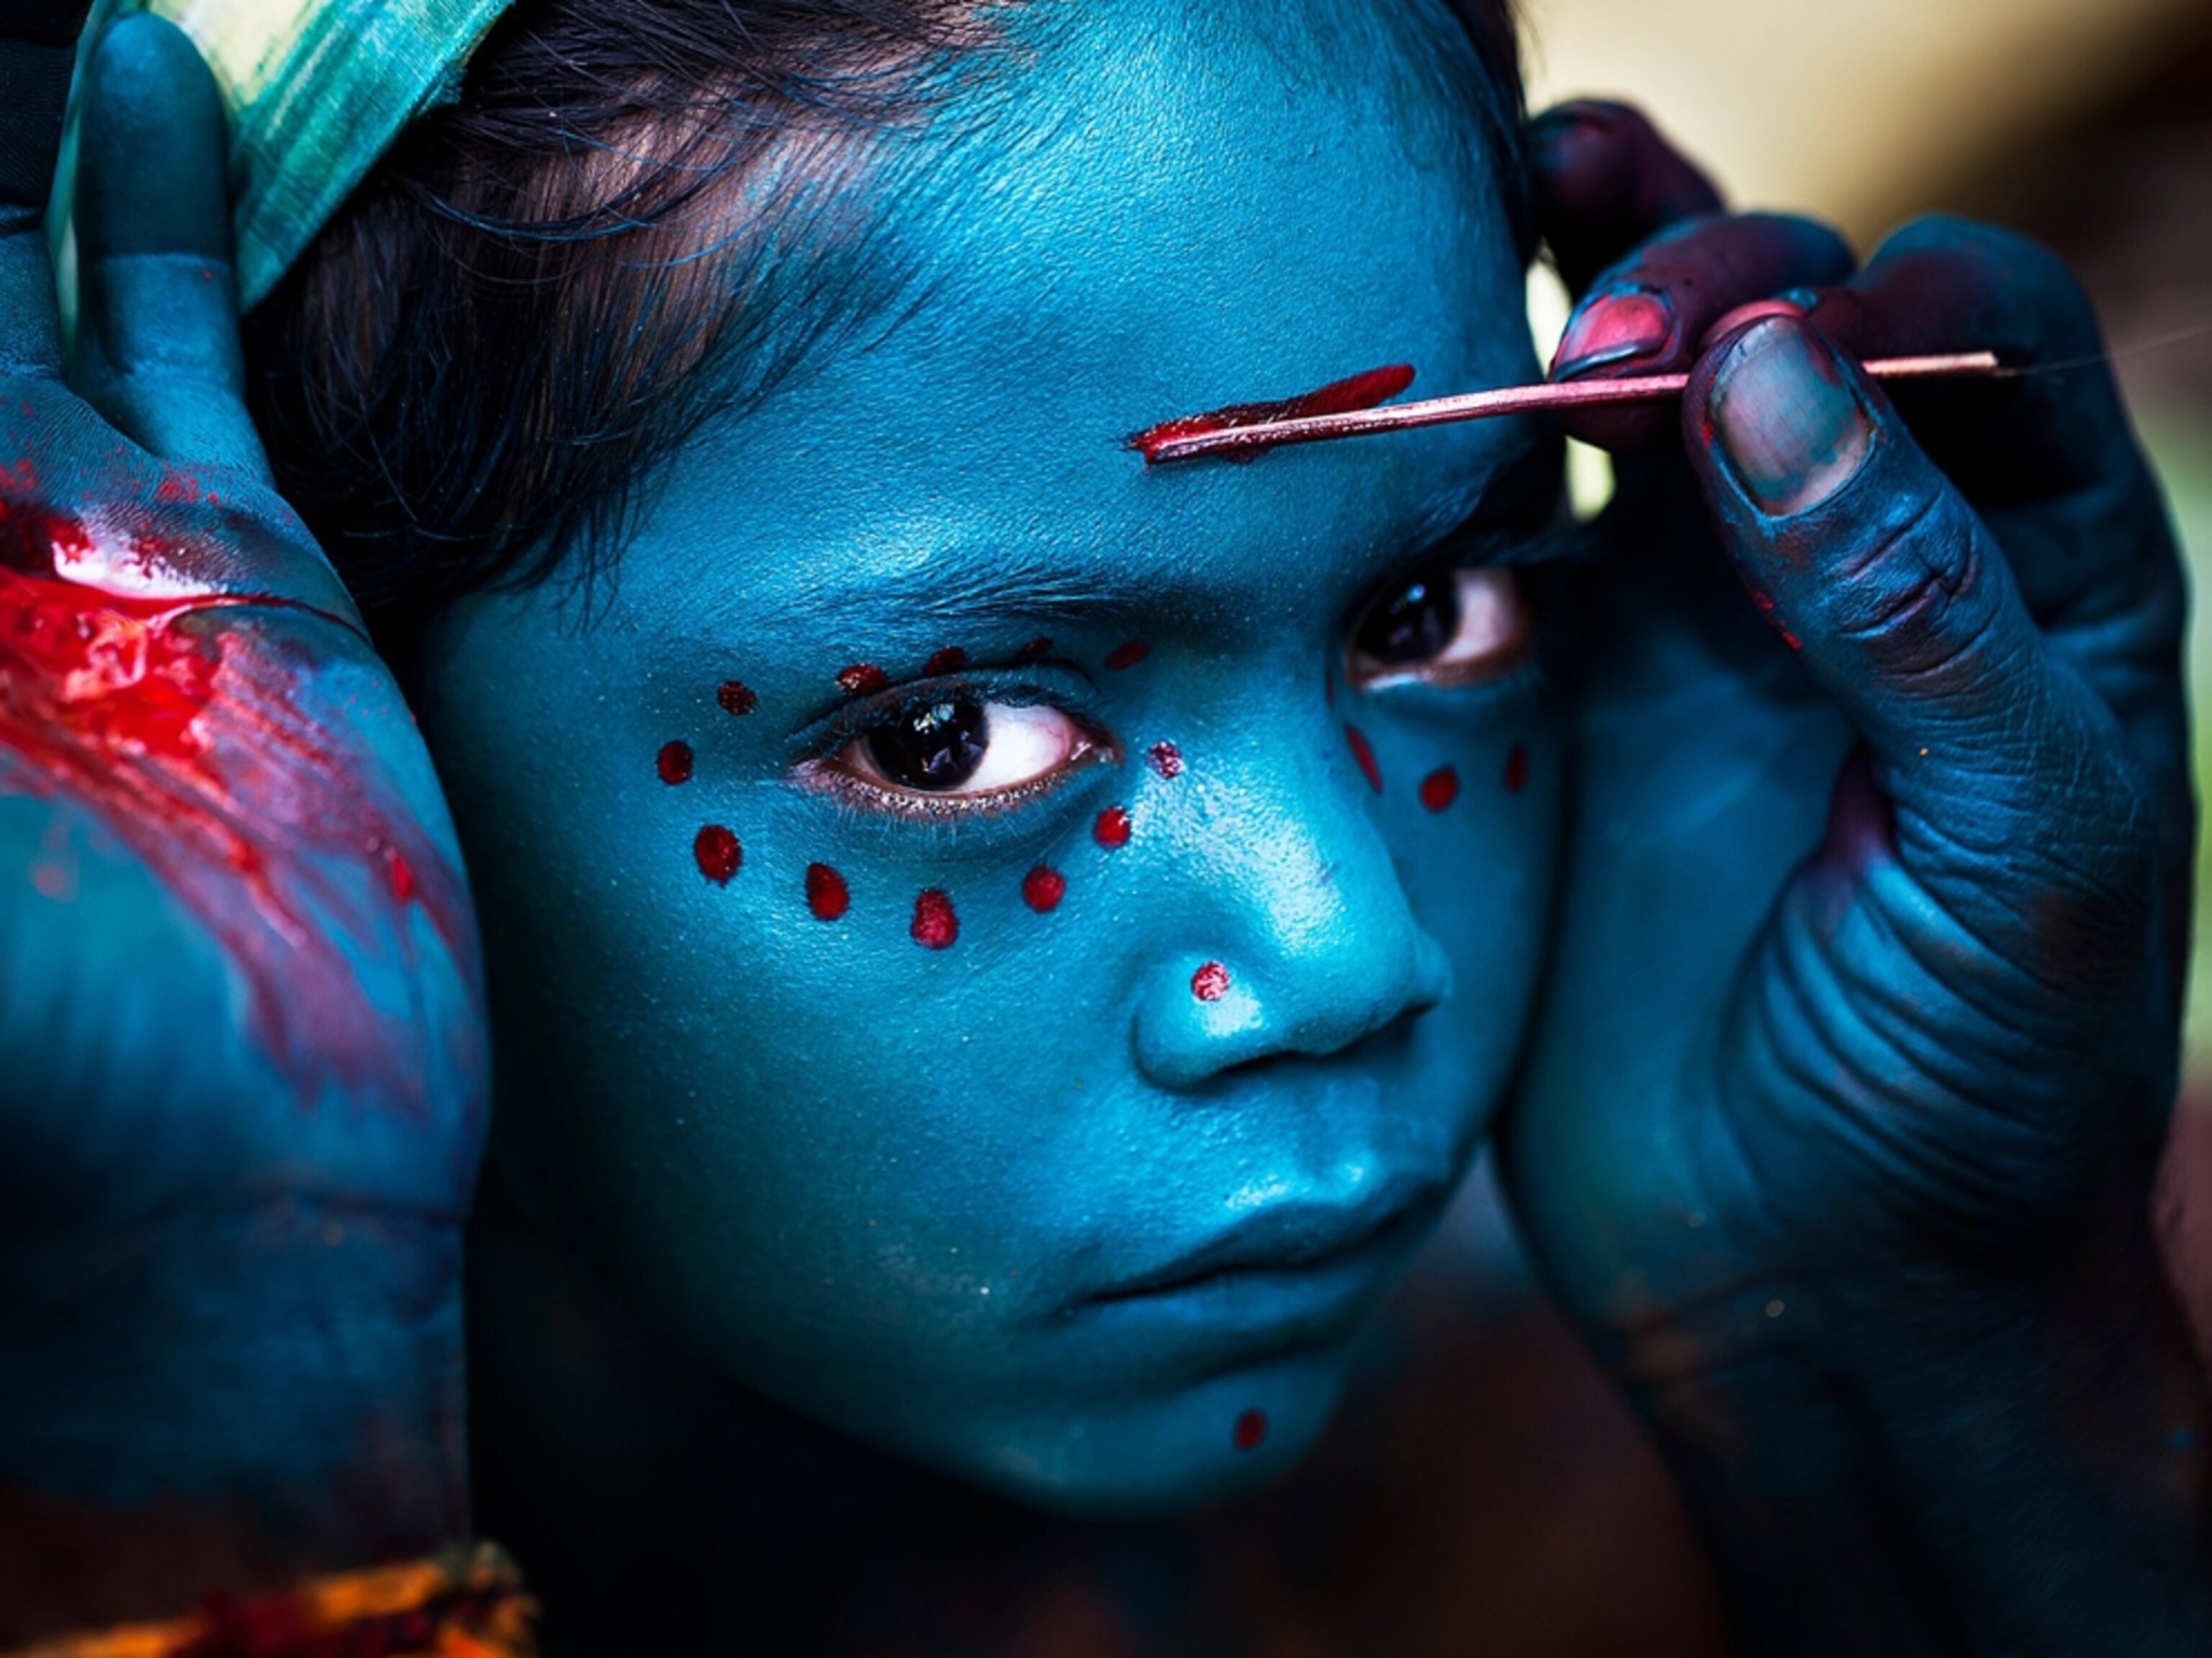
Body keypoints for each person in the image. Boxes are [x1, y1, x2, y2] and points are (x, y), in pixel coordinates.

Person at [0, 0, 2204, 1650]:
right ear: (279, 750)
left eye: (1431, 609)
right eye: (950, 742)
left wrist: (1927, 1376)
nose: (1357, 956)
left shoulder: (2002, 1311)